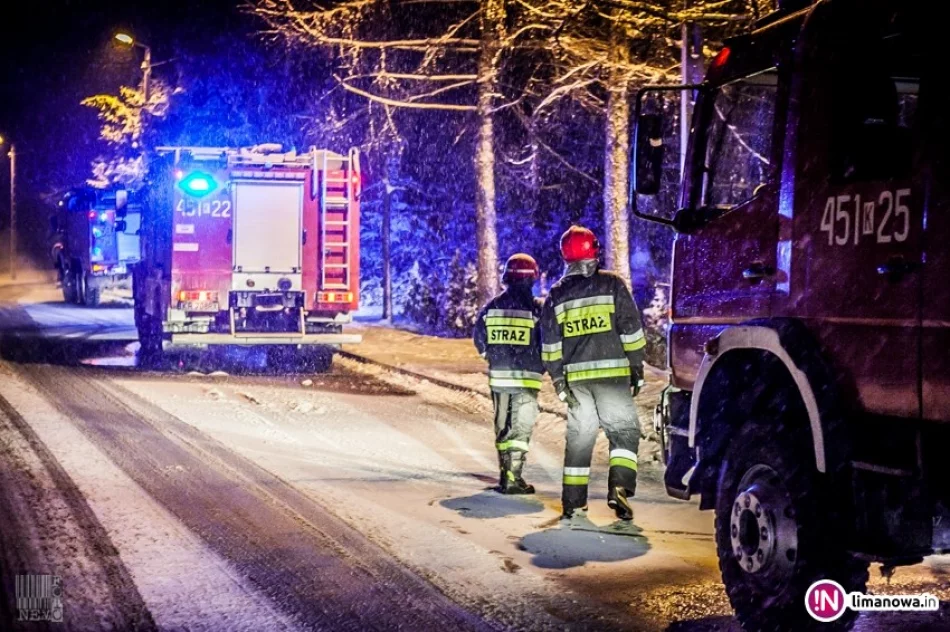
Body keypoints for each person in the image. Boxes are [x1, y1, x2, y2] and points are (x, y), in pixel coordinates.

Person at [540, 226, 646, 521]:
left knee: (580, 440)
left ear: (565, 256)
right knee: (624, 433)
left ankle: (573, 503)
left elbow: (550, 346)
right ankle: (620, 488)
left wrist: (559, 380)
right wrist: (636, 367)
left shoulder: (557, 294)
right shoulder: (612, 285)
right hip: (613, 378)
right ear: (594, 251)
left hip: (577, 383)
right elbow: (631, 330)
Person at [474, 253, 545, 494]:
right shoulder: (537, 310)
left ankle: (506, 474)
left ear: (507, 278)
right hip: (527, 380)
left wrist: (493, 358)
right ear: (532, 279)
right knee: (519, 430)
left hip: (499, 380)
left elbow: (479, 340)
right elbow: (548, 342)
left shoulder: (492, 307)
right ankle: (513, 477)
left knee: (503, 428)